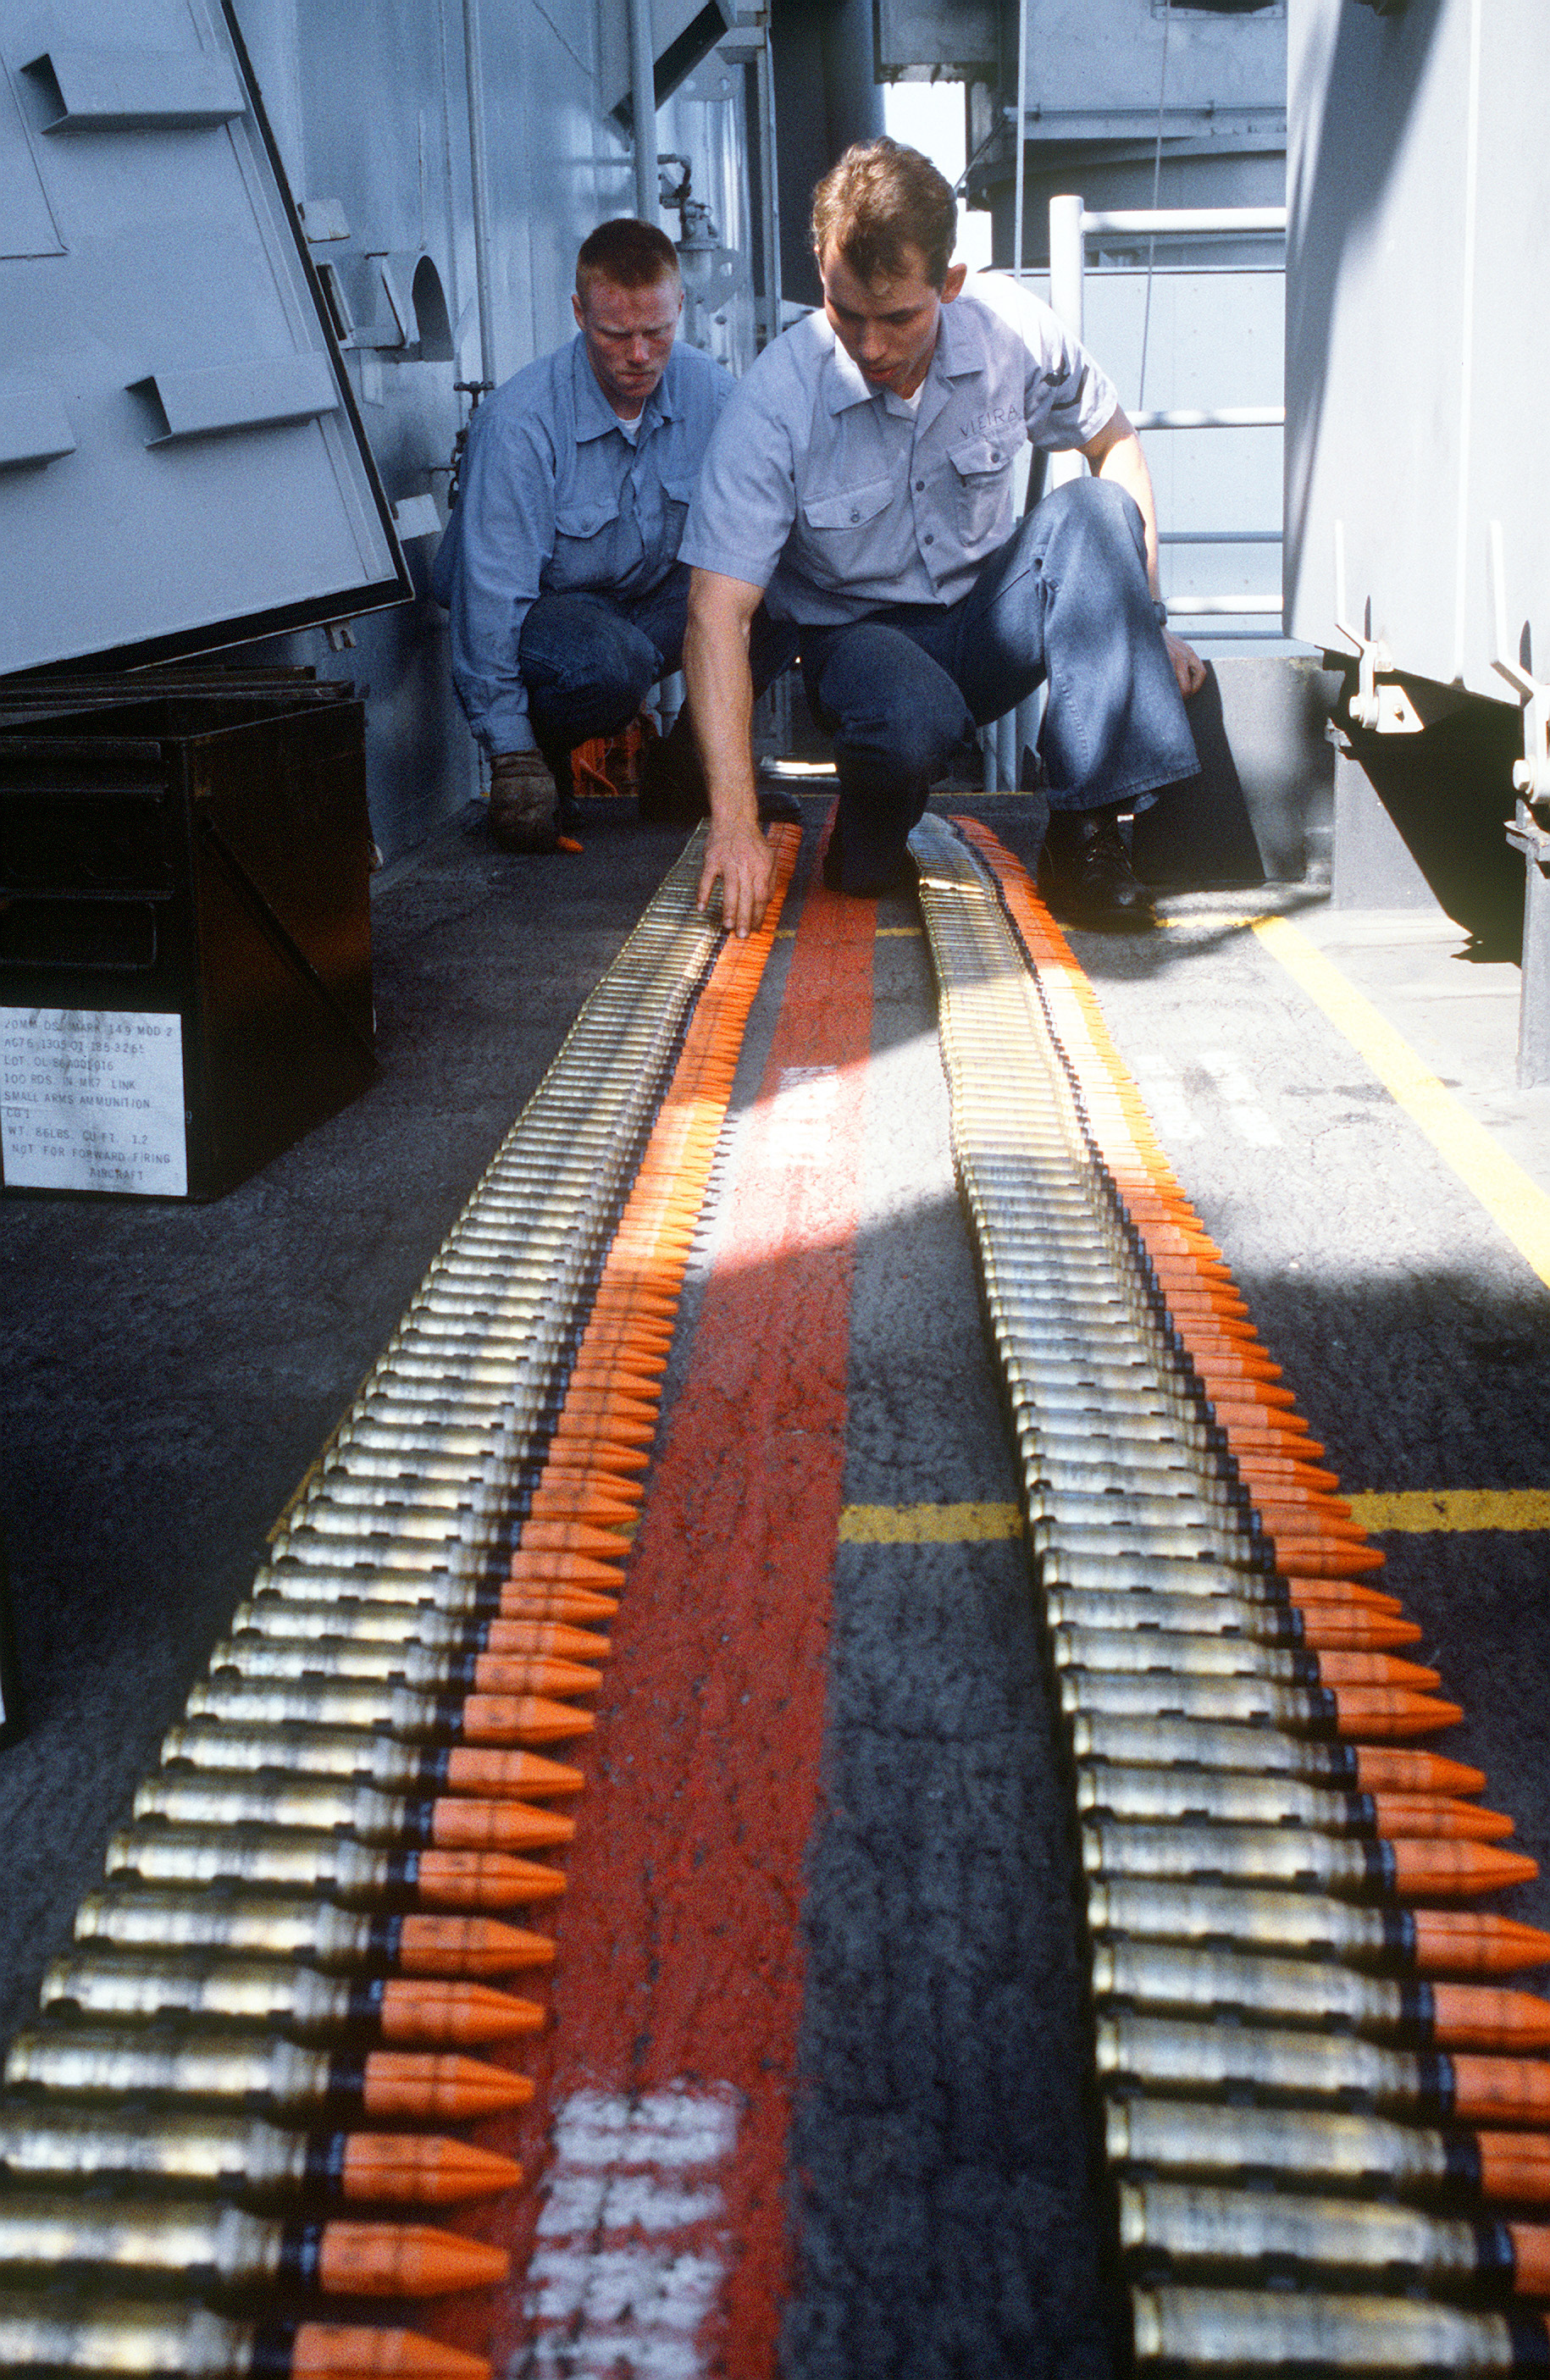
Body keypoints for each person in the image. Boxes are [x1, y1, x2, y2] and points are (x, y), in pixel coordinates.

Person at [678, 138, 1209, 937]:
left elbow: (1114, 442)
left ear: (950, 285)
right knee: (902, 744)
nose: (871, 345)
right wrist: (734, 825)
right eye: (845, 312)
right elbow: (716, 614)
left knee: (1095, 514)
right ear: (820, 270)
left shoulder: (1014, 332)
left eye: (898, 317)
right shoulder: (774, 400)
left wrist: (1146, 620)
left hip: (988, 619)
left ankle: (1087, 836)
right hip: (858, 643)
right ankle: (865, 836)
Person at [432, 217, 795, 851]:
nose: (638, 355)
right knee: (608, 662)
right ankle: (542, 758)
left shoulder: (713, 395)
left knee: (790, 586)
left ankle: (686, 773)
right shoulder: (520, 424)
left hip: (646, 605)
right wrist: (511, 756)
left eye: (656, 332)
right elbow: (489, 604)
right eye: (615, 334)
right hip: (546, 624)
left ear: (680, 306)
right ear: (578, 313)